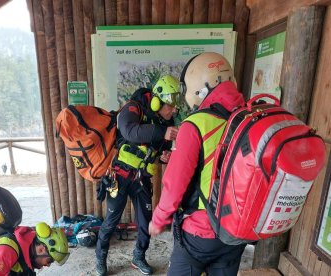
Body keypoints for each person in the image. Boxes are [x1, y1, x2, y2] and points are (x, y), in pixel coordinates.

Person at [149, 52, 247, 276]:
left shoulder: (195, 124)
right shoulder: (247, 117)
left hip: (200, 232)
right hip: (237, 231)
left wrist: (159, 219)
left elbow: (175, 184)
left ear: (197, 87)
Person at [95, 75, 180, 276]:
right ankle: (100, 258)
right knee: (111, 220)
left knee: (145, 222)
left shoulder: (166, 121)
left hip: (142, 179)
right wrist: (162, 131)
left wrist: (164, 157)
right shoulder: (134, 108)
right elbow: (130, 131)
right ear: (158, 101)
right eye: (171, 105)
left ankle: (138, 256)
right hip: (120, 176)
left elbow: (158, 150)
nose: (174, 110)